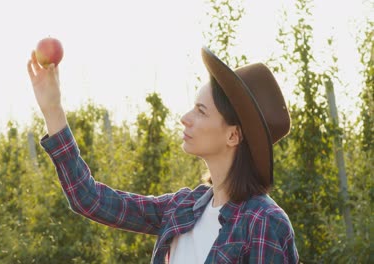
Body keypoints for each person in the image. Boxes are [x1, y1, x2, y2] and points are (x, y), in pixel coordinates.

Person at [27, 46, 299, 263]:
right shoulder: (182, 208)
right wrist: (53, 110)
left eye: (201, 111)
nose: (184, 118)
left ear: (232, 135)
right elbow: (89, 198)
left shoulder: (263, 223)